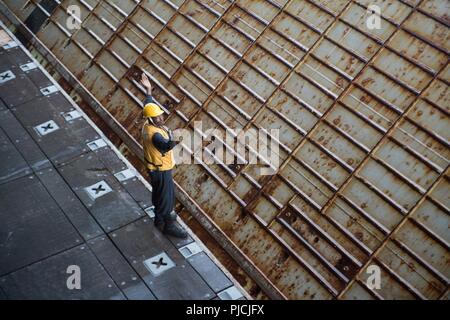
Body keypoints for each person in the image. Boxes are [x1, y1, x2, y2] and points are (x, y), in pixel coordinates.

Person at [140, 73, 188, 239]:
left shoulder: (148, 122)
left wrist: (148, 90)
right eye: (157, 117)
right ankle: (168, 225)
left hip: (155, 169)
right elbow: (166, 146)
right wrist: (175, 137)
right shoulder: (155, 135)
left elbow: (149, 104)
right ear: (151, 119)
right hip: (160, 170)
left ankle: (159, 219)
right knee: (167, 197)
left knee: (159, 195)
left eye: (161, 115)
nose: (161, 118)